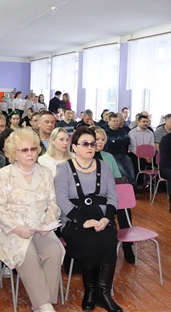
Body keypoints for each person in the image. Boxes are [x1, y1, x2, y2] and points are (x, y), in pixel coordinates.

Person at [0, 129, 64, 312]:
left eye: (33, 149)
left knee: (54, 251)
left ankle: (42, 302)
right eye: (24, 150)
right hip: (14, 230)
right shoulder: (3, 175)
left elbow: (53, 203)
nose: (30, 153)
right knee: (28, 254)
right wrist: (17, 228)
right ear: (13, 153)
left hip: (41, 228)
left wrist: (48, 222)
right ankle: (44, 304)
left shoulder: (45, 173)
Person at [54, 127, 123, 312]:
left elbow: (113, 197)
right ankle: (90, 291)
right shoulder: (64, 168)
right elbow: (61, 199)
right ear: (74, 147)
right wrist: (82, 221)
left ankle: (104, 293)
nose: (90, 147)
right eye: (85, 144)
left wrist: (107, 218)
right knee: (89, 240)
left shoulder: (104, 167)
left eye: (93, 143)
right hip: (74, 220)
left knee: (109, 237)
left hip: (101, 217)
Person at [91, 125, 136, 264]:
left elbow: (117, 178)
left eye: (103, 139)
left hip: (110, 193)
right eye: (97, 139)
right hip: (94, 198)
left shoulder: (108, 156)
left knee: (123, 209)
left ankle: (128, 247)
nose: (100, 142)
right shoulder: (86, 156)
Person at [104, 113, 137, 189]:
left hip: (123, 154)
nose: (116, 122)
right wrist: (120, 142)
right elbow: (109, 144)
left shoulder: (122, 131)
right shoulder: (106, 132)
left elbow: (127, 141)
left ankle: (131, 184)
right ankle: (132, 184)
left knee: (130, 167)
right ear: (109, 122)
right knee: (121, 168)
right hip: (112, 155)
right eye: (114, 121)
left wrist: (115, 142)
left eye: (117, 121)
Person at [128, 114, 155, 184]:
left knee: (158, 160)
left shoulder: (150, 133)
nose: (146, 123)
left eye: (147, 122)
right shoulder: (132, 133)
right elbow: (134, 148)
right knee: (140, 161)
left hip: (148, 154)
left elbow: (152, 146)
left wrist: (150, 156)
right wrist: (145, 157)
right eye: (144, 121)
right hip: (135, 153)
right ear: (138, 122)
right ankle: (139, 183)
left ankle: (153, 183)